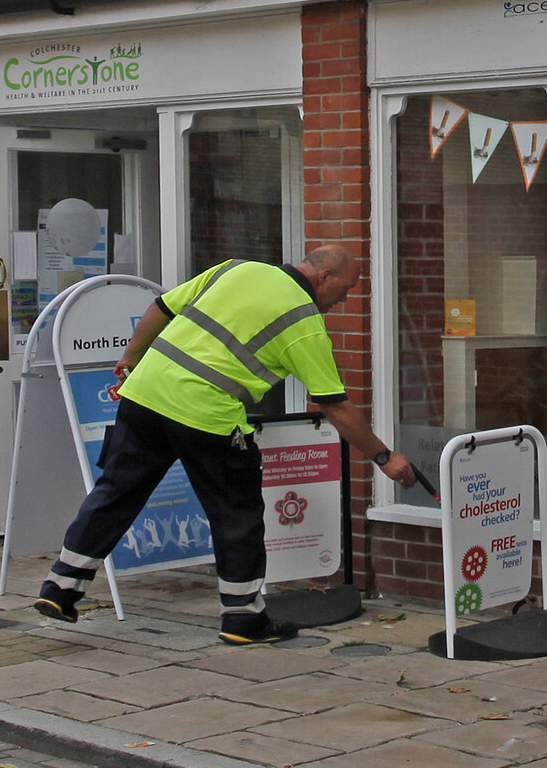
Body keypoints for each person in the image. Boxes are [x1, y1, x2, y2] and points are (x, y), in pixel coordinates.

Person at [34, 242, 417, 643]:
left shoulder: (236, 269)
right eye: (347, 288)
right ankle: (243, 619)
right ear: (325, 277)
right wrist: (383, 456)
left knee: (117, 492)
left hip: (145, 395)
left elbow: (161, 308)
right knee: (237, 513)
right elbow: (336, 408)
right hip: (206, 415)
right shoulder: (304, 322)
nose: (345, 298)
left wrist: (131, 359)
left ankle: (60, 589)